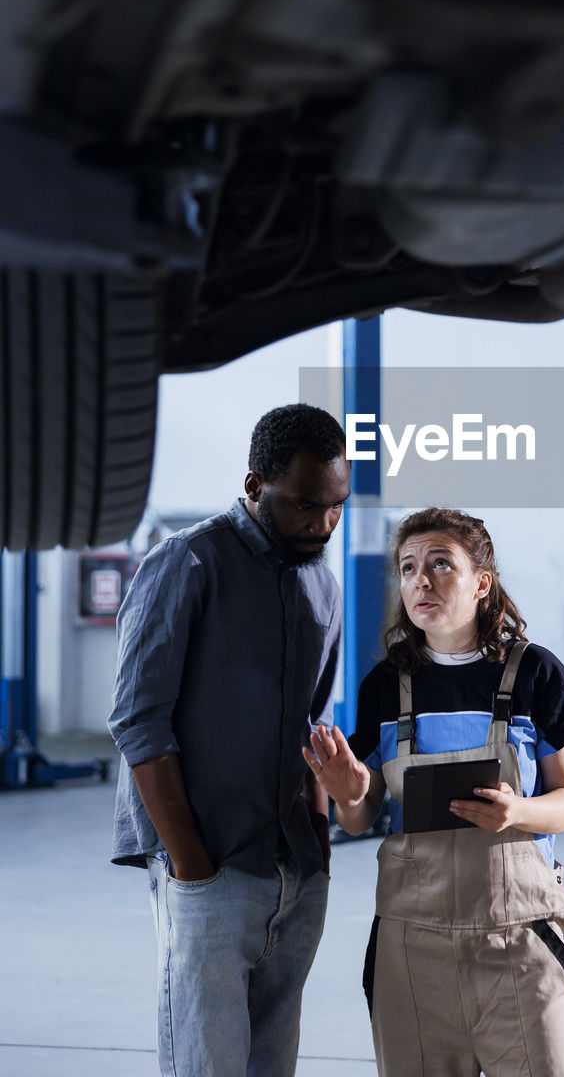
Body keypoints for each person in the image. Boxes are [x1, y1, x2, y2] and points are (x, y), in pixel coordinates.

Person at [304, 506, 564, 1077]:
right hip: (413, 953)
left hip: (518, 940)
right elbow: (362, 819)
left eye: (442, 564)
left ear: (482, 583)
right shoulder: (386, 687)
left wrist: (518, 812)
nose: (421, 580)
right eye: (409, 568)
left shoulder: (537, 675)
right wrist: (346, 793)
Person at [109, 403, 350, 1077]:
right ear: (253, 486)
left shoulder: (322, 586)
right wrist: (188, 862)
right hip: (209, 868)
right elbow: (137, 718)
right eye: (306, 504)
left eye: (336, 506)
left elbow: (313, 723)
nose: (322, 522)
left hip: (295, 872)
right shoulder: (186, 563)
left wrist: (318, 848)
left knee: (273, 1065)